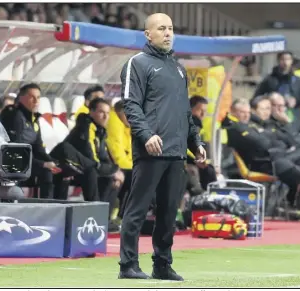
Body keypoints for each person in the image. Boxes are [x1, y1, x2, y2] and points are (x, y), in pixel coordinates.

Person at [118, 13, 205, 281]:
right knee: (137, 209)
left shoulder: (179, 69)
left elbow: (185, 114)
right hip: (151, 150)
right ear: (148, 34)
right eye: (161, 28)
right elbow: (130, 105)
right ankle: (128, 265)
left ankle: (162, 265)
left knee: (169, 213)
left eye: (170, 28)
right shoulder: (137, 63)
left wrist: (196, 144)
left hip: (177, 153)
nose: (168, 33)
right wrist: (145, 135)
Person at [0, 83, 60, 199]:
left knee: (58, 171)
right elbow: (14, 151)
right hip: (12, 163)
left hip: (27, 162)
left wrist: (55, 162)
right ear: (21, 98)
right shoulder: (15, 116)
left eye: (38, 97)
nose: (35, 101)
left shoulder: (34, 118)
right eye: (32, 97)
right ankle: (47, 208)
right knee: (46, 172)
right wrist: (43, 164)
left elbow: (38, 148)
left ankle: (57, 207)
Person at [252, 51, 300, 133]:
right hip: (273, 119)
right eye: (283, 59)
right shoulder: (269, 79)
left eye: (288, 59)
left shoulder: (298, 81)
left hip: (294, 118)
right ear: (278, 61)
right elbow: (256, 98)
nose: (285, 62)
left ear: (292, 61)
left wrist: (296, 101)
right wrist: (270, 100)